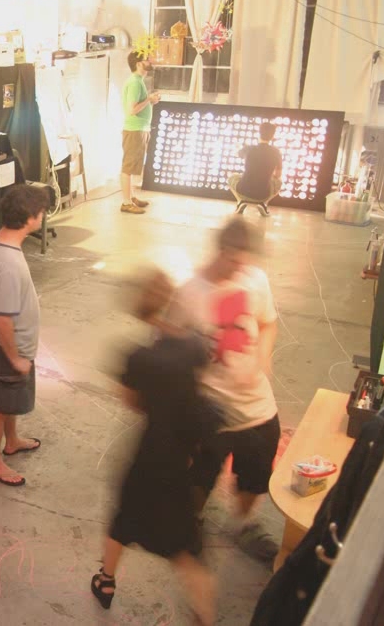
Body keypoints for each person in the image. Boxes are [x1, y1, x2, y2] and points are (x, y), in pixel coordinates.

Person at [91, 267, 220, 625]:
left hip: (151, 452)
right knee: (184, 545)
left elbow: (133, 402)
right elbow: (199, 392)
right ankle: (204, 615)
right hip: (184, 453)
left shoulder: (138, 358)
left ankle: (106, 581)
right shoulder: (196, 345)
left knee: (126, 517)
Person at [168, 217, 281, 561]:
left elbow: (268, 323)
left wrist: (263, 360)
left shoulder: (255, 279)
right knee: (200, 476)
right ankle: (192, 521)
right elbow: (167, 343)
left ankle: (242, 522)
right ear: (221, 251)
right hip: (211, 408)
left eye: (245, 259)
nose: (240, 267)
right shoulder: (191, 291)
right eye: (234, 259)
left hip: (256, 405)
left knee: (256, 475)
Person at [0, 183, 50, 487]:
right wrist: (16, 358)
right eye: (41, 212)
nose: (43, 215)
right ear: (30, 219)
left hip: (10, 346)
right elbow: (3, 321)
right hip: (9, 348)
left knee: (7, 400)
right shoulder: (8, 264)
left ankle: (12, 441)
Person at [120, 51, 160, 215]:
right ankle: (126, 202)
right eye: (146, 60)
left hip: (140, 129)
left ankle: (131, 197)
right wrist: (149, 100)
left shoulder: (138, 82)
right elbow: (132, 110)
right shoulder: (135, 83)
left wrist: (151, 101)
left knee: (133, 164)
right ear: (138, 64)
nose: (150, 62)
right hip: (134, 130)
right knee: (128, 166)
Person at [229, 122, 283, 216]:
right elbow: (278, 175)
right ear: (272, 136)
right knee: (279, 182)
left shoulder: (249, 148)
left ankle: (240, 201)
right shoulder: (276, 152)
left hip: (243, 188)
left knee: (232, 177)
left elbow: (237, 154)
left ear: (259, 133)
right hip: (264, 193)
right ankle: (264, 203)